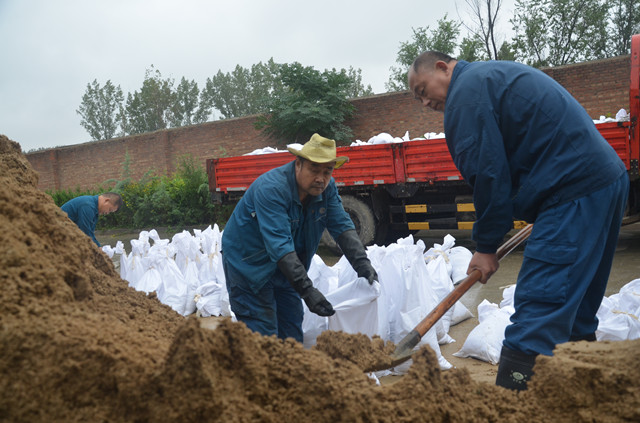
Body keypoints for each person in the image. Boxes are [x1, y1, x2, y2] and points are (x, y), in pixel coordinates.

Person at [408, 52, 629, 390]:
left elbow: (488, 173)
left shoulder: (465, 94)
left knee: (539, 308)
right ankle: (581, 396)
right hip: (601, 181)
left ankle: (512, 403)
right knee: (577, 307)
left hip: (571, 191)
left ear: (443, 67)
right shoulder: (489, 78)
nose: (424, 101)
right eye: (418, 97)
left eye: (423, 89)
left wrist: (485, 246)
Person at [221, 133, 378, 343]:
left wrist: (362, 263)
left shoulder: (326, 188)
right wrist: (307, 290)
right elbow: (279, 245)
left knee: (292, 329)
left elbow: (341, 225)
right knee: (262, 334)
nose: (321, 178)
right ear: (298, 164)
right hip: (249, 265)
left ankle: (287, 373)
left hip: (286, 266)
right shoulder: (272, 189)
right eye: (314, 169)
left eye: (327, 171)